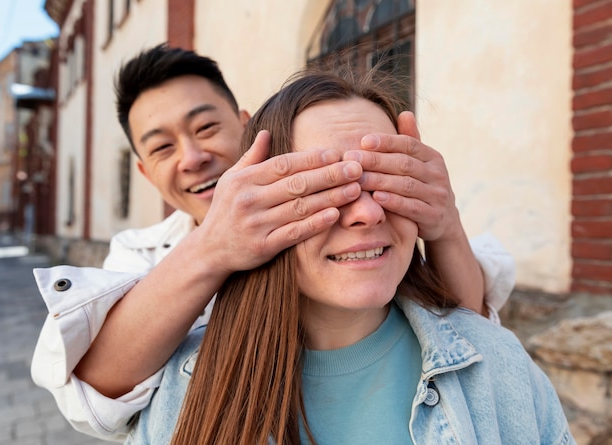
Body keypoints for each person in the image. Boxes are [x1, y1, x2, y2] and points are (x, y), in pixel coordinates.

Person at [31, 45, 515, 441]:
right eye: (161, 147)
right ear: (144, 172)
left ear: (248, 128)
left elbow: (469, 336)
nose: (193, 157)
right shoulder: (138, 260)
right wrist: (214, 248)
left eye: (206, 128)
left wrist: (444, 223)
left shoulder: (388, 238)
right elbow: (95, 392)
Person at [122, 68, 574, 445]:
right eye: (323, 186)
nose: (366, 212)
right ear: (257, 206)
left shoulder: (498, 365)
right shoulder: (185, 389)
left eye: (388, 178)